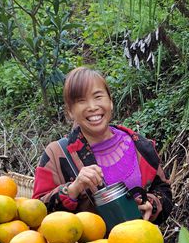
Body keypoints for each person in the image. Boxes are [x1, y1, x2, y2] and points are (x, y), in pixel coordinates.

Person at [33, 67, 173, 225]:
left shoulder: (140, 146)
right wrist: (73, 189)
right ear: (70, 111)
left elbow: (164, 191)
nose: (92, 106)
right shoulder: (58, 154)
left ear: (110, 102)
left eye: (98, 96)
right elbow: (35, 212)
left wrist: (151, 205)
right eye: (81, 101)